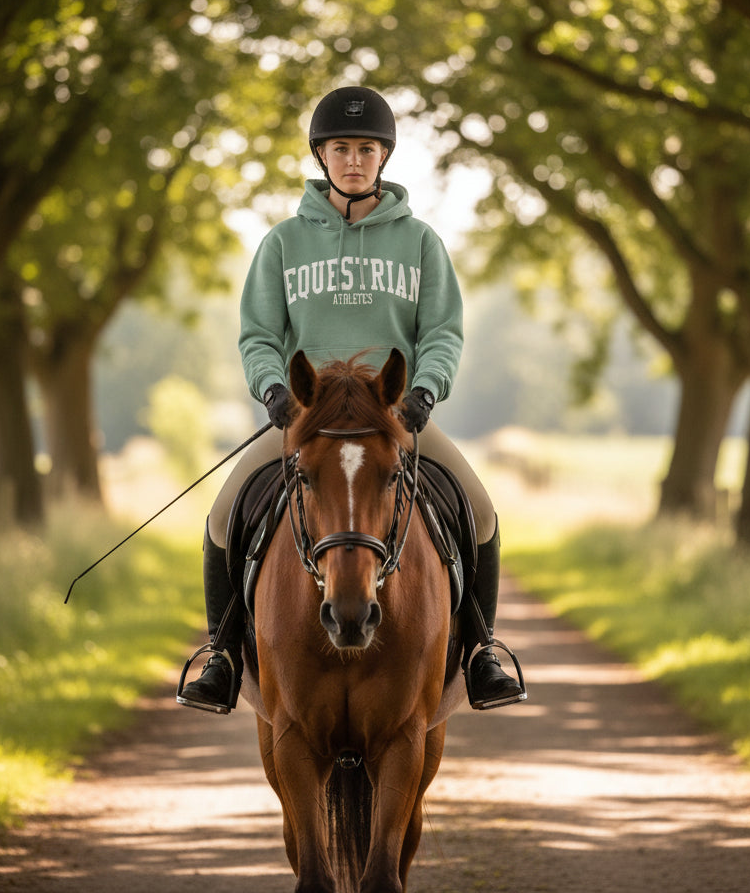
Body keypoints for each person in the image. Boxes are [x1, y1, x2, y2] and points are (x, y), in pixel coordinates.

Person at [177, 85, 525, 714]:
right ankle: (222, 656)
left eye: (367, 149)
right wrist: (274, 389)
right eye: (341, 148)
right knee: (225, 515)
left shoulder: (421, 242)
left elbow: (442, 333)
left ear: (383, 156)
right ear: (322, 155)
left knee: (479, 511)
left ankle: (481, 652)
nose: (354, 160)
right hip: (307, 419)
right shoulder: (283, 243)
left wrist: (425, 390)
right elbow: (259, 335)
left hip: (393, 417)